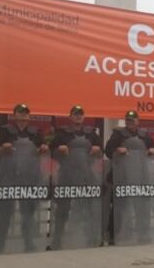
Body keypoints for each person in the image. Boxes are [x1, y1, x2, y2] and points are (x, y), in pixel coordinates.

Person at [0, 104, 49, 253]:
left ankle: (29, 243)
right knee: (4, 213)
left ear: (29, 116)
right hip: (8, 177)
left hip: (29, 178)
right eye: (20, 112)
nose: (23, 115)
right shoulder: (4, 130)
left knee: (28, 213)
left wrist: (44, 148)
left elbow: (44, 148)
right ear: (14, 114)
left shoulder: (36, 132)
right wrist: (2, 149)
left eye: (26, 113)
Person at [49, 105, 102, 249]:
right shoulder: (62, 134)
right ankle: (57, 240)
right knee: (63, 210)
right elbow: (50, 149)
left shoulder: (91, 134)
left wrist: (98, 148)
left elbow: (102, 149)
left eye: (80, 114)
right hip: (67, 175)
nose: (78, 116)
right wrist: (58, 148)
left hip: (87, 176)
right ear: (70, 117)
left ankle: (91, 238)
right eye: (75, 114)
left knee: (89, 208)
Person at [105, 110, 154, 244]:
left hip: (141, 176)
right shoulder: (118, 134)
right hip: (123, 176)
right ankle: (114, 235)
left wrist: (153, 150)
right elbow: (108, 149)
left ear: (137, 121)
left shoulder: (145, 135)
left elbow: (153, 148)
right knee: (120, 206)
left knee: (141, 206)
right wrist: (117, 150)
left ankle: (143, 234)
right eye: (128, 120)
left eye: (133, 120)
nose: (130, 122)